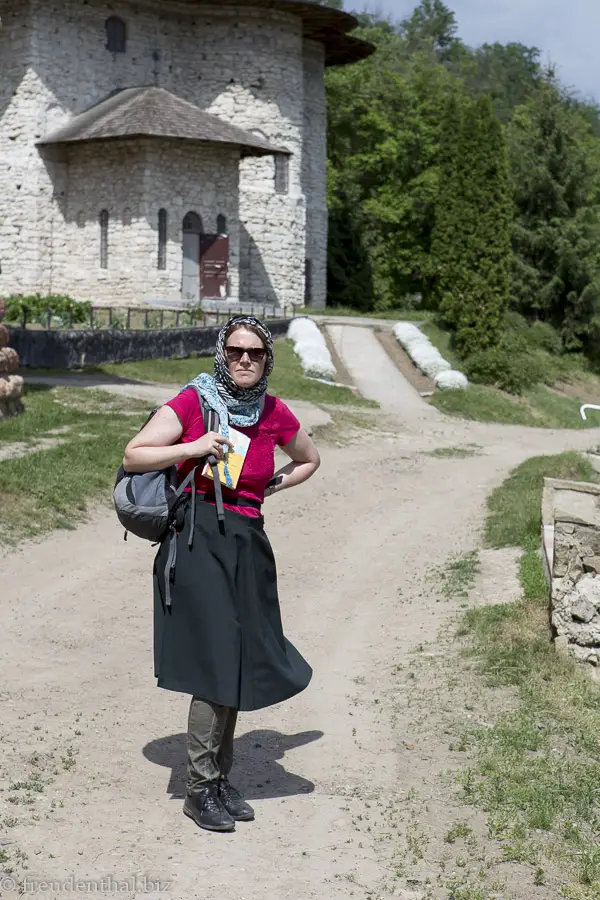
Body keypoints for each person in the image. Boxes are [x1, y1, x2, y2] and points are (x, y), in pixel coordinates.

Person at [122, 315, 320, 833]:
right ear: (222, 352)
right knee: (215, 663)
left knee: (237, 659)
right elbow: (135, 454)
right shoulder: (195, 401)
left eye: (255, 352)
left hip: (247, 541)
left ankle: (218, 779)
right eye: (235, 351)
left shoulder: (273, 412)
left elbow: (309, 458)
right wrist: (193, 447)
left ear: (267, 358)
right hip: (197, 540)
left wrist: (268, 487)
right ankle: (199, 788)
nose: (245, 360)